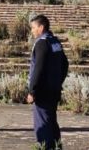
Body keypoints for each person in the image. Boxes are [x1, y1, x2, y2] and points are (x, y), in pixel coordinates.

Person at [26, 14, 68, 150]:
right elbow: (65, 64)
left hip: (43, 92)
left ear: (41, 27)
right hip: (54, 90)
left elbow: (38, 68)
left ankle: (46, 147)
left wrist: (32, 91)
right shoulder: (55, 41)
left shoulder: (41, 43)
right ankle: (57, 146)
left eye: (33, 28)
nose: (32, 31)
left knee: (43, 124)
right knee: (51, 121)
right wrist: (57, 81)